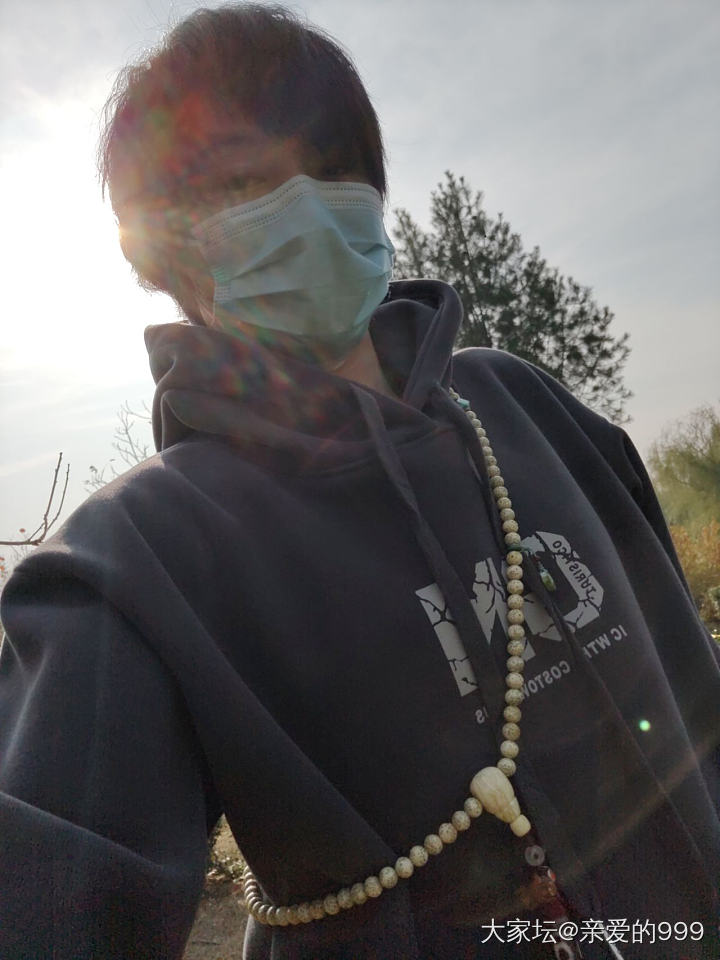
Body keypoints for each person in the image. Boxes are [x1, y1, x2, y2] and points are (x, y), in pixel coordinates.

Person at [0, 4, 718, 959]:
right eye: (244, 181)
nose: (306, 202)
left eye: (334, 166)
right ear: (164, 248)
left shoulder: (534, 412)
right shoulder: (134, 558)